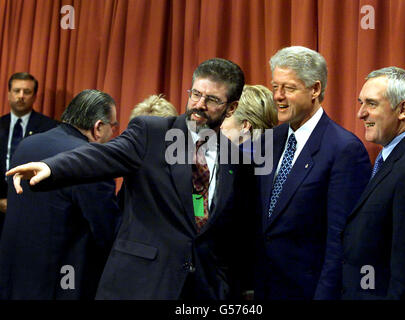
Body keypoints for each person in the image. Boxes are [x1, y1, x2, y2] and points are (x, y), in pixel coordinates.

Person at [7, 58, 253, 300]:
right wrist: (52, 167)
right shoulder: (152, 133)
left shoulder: (235, 160)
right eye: (195, 94)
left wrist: (224, 286)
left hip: (202, 290)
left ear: (231, 108)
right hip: (141, 285)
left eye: (211, 100)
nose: (199, 104)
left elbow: (233, 233)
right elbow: (103, 155)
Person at [253, 46, 372, 300]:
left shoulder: (344, 150)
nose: (278, 96)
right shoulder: (268, 141)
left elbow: (340, 242)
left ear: (315, 89)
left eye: (289, 88)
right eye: (275, 87)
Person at [0, 89, 121, 299]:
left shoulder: (27, 144)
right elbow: (106, 232)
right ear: (99, 127)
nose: (114, 134)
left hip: (13, 276)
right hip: (60, 283)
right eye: (114, 126)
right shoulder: (93, 161)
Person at [341, 67, 405, 300]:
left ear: (403, 109)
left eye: (371, 104)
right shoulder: (396, 156)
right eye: (360, 103)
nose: (360, 113)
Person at [0, 72, 57, 232]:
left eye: (27, 92)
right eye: (17, 91)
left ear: (35, 96)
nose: (21, 96)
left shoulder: (49, 128)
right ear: (9, 93)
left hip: (32, 207)